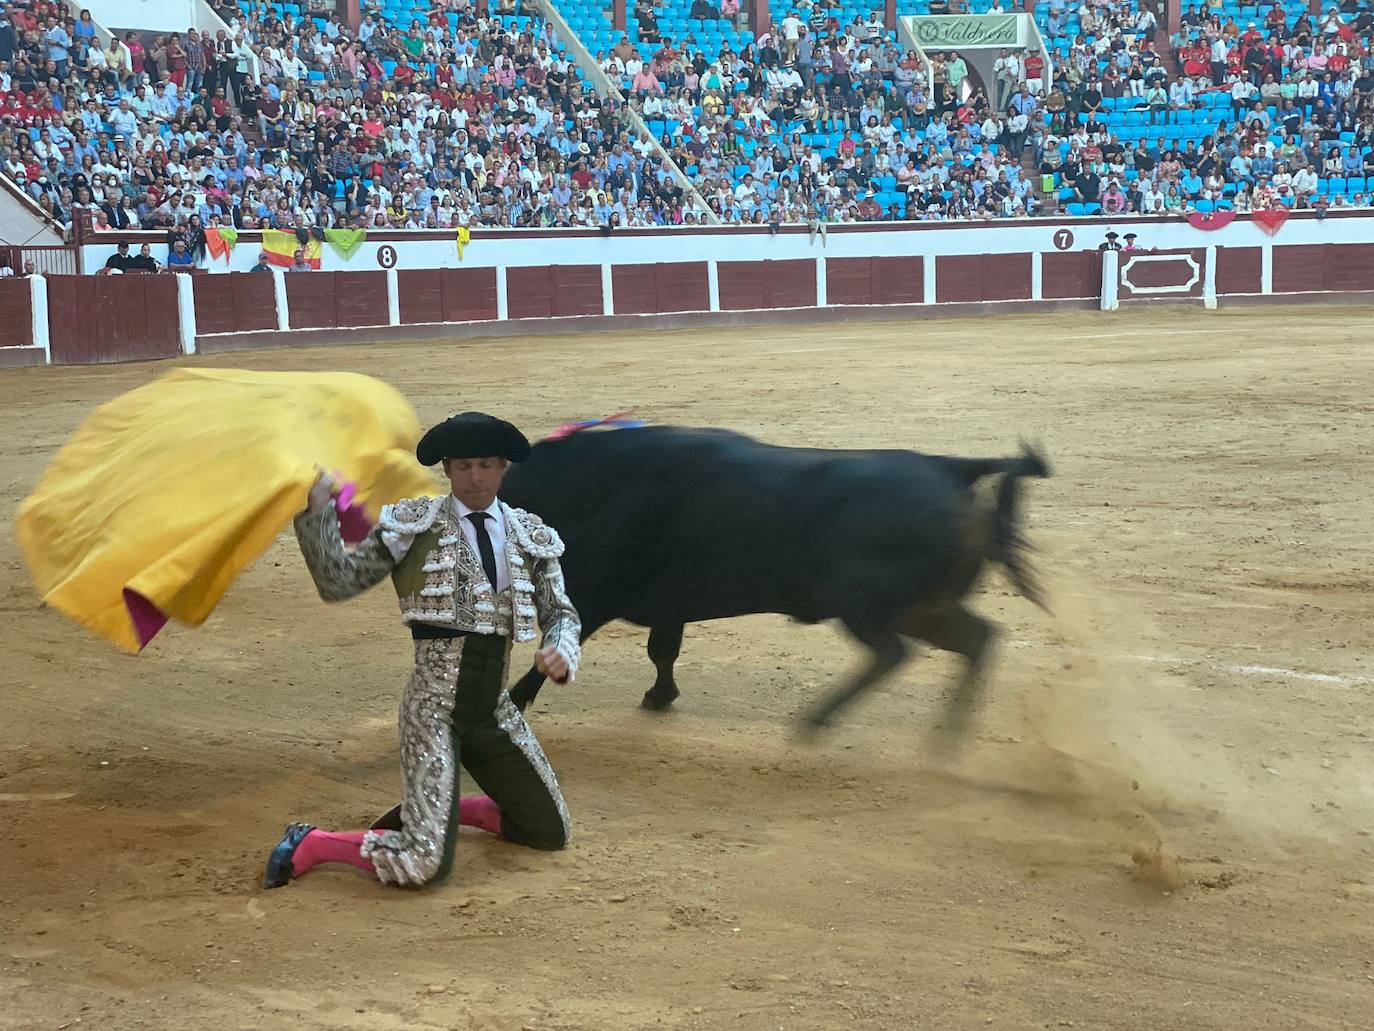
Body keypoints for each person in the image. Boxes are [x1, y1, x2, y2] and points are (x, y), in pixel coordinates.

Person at [264, 412, 581, 889]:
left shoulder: (529, 535)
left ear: (503, 468)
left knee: (548, 830)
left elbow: (561, 613)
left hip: (493, 711)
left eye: (487, 466)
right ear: (448, 469)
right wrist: (318, 511)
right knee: (423, 864)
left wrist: (560, 649)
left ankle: (455, 809)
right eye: (465, 466)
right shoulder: (413, 527)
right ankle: (315, 842)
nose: (476, 478)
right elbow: (338, 581)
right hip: (433, 711)